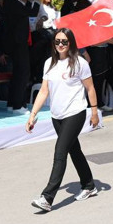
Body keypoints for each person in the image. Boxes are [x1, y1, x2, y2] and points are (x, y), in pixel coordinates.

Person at [26, 28, 100, 212]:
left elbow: (90, 88)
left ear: (71, 43)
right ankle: (89, 185)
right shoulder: (49, 64)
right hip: (56, 115)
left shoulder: (80, 63)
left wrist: (94, 111)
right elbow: (44, 91)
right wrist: (33, 114)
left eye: (64, 42)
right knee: (74, 150)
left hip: (75, 113)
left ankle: (47, 197)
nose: (60, 45)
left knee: (60, 152)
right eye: (57, 41)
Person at [1, 0, 41, 113]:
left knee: (19, 73)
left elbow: (27, 10)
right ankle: (18, 105)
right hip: (17, 43)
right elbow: (31, 12)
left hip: (18, 42)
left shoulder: (13, 3)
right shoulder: (12, 3)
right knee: (22, 73)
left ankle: (13, 104)